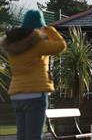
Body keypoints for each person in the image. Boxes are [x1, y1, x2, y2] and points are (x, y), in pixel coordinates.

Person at [0, 10, 67, 140]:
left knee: (22, 135)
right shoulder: (37, 44)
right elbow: (61, 46)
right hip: (35, 93)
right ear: (39, 25)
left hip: (16, 94)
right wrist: (48, 28)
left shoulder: (11, 45)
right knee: (34, 136)